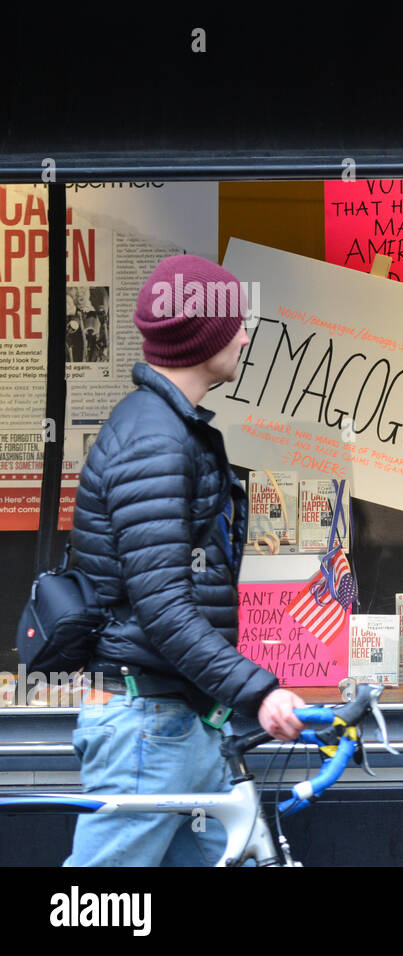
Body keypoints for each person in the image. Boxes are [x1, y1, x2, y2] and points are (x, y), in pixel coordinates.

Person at [65, 254, 305, 866]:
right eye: (236, 325)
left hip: (180, 720)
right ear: (202, 338)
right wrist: (260, 691)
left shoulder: (167, 429)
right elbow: (164, 607)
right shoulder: (155, 440)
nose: (246, 336)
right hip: (151, 729)